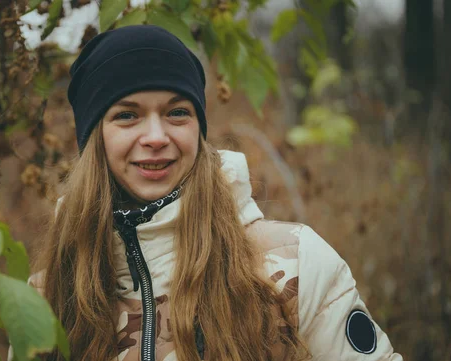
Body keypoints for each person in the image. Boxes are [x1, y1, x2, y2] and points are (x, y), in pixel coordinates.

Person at [27, 25, 403, 361]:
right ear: (95, 138)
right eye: (127, 115)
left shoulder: (293, 263)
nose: (157, 137)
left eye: (177, 113)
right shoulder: (50, 293)